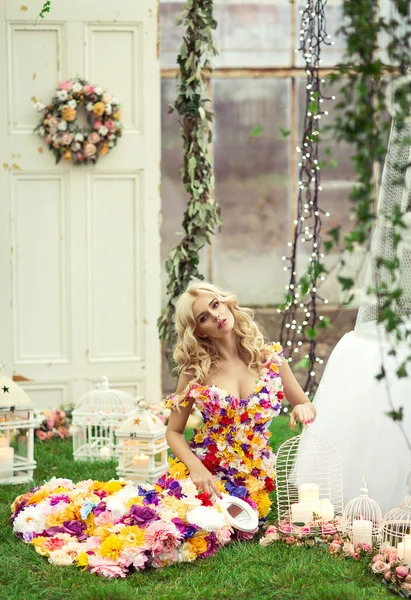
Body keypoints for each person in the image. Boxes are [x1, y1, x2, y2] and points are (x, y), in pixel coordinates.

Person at [11, 281, 316, 577]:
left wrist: (303, 408)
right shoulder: (197, 370)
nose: (215, 316)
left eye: (215, 305)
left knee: (219, 529)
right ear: (198, 330)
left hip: (253, 478)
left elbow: (303, 402)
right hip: (205, 471)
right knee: (173, 525)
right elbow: (173, 432)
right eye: (203, 317)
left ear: (226, 302)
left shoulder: (269, 358)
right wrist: (196, 468)